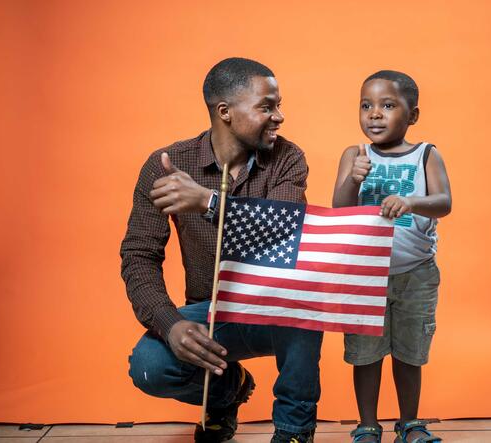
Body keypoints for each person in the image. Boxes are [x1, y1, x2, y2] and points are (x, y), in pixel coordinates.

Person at [120, 57, 322, 443]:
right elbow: (139, 255)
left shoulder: (288, 158)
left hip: (273, 308)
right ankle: (227, 391)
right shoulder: (167, 164)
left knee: (306, 301)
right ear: (224, 112)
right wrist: (170, 323)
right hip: (212, 311)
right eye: (266, 106)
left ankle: (294, 430)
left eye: (278, 105)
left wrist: (209, 203)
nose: (279, 116)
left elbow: (282, 229)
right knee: (148, 366)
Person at [332, 70, 452, 443]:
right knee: (366, 353)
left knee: (409, 351)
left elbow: (444, 202)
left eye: (388, 105)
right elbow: (339, 210)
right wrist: (353, 178)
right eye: (366, 105)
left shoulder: (426, 154)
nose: (375, 114)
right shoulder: (356, 154)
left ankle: (409, 424)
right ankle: (367, 425)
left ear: (412, 115)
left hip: (415, 273)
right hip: (365, 274)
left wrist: (412, 201)